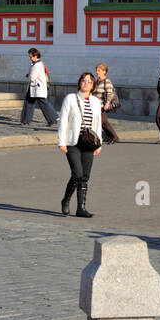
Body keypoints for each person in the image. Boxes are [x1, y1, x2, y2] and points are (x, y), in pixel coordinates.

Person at [58, 70, 104, 216]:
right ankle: (65, 200)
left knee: (85, 176)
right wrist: (61, 141)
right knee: (77, 174)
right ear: (79, 83)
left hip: (89, 143)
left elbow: (97, 123)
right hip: (73, 141)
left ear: (93, 85)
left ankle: (81, 208)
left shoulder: (96, 102)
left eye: (89, 81)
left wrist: (99, 144)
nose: (86, 83)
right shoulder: (70, 98)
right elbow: (63, 120)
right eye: (84, 80)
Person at [21, 47, 58, 126]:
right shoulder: (38, 64)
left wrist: (29, 75)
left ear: (35, 56)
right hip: (35, 88)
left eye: (31, 57)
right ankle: (25, 121)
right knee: (31, 103)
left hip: (37, 88)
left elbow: (32, 77)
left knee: (41, 104)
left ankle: (53, 118)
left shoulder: (37, 65)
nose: (30, 58)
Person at [95, 62, 120, 143]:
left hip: (103, 105)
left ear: (104, 71)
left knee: (100, 122)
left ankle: (96, 139)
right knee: (104, 122)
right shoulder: (97, 81)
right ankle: (114, 137)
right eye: (96, 70)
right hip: (96, 105)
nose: (97, 72)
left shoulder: (107, 81)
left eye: (98, 70)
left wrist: (108, 103)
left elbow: (110, 93)